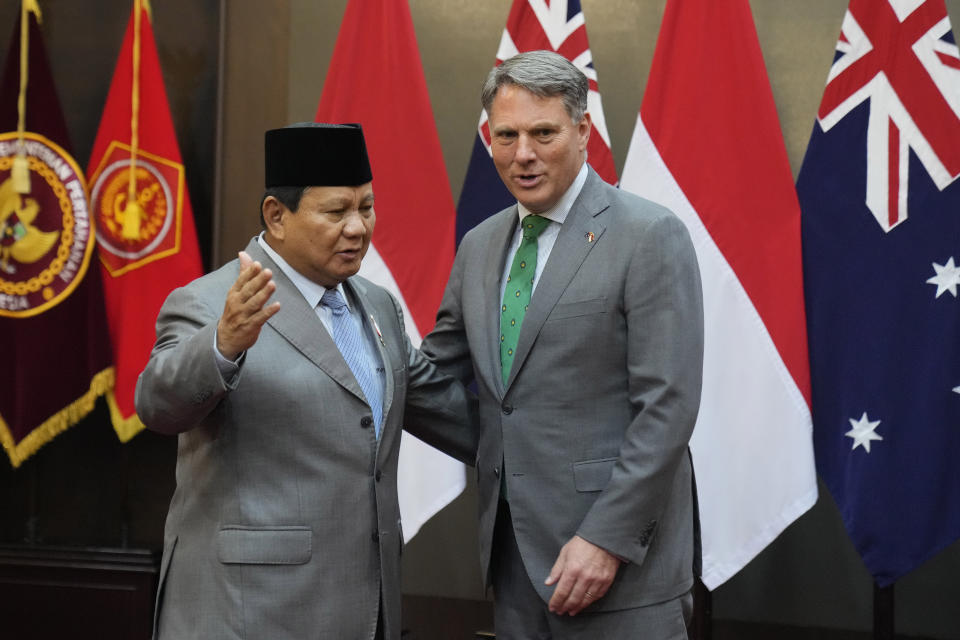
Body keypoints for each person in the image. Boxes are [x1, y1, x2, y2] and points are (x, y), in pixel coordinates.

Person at [135, 122, 476, 640]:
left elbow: (445, 409)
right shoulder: (209, 301)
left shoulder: (378, 306)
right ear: (277, 216)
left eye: (366, 207)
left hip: (366, 609)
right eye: (336, 211)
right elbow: (158, 406)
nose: (359, 227)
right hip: (248, 613)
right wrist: (224, 343)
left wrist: (563, 455)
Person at [420, 51, 704, 639]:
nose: (523, 153)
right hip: (515, 566)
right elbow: (436, 377)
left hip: (619, 572)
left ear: (582, 130)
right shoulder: (478, 245)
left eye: (543, 133)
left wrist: (606, 538)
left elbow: (668, 406)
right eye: (507, 135)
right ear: (488, 139)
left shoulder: (649, 235)